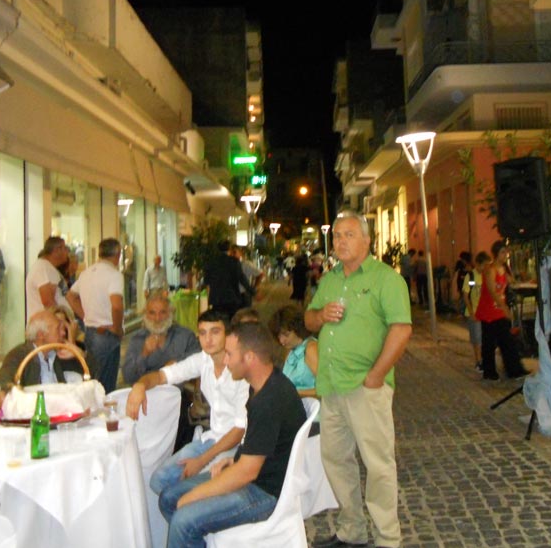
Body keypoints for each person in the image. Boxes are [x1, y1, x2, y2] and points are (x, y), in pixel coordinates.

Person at [305, 210, 411, 548]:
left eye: (349, 234)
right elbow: (308, 320)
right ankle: (352, 529)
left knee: (378, 465)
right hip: (332, 385)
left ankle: (387, 538)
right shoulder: (330, 279)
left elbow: (401, 329)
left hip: (366, 387)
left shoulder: (386, 279)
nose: (341, 241)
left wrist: (377, 375)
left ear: (367, 240)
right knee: (336, 460)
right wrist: (320, 315)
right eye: (337, 235)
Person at [158, 323, 306, 548]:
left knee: (183, 520)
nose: (225, 361)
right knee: (169, 499)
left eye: (229, 354)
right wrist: (234, 459)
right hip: (255, 475)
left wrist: (194, 496)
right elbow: (260, 446)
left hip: (264, 493)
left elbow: (247, 472)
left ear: (249, 357)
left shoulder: (269, 400)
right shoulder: (264, 384)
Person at [127, 309, 250, 497]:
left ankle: (194, 505)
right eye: (202, 333)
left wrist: (201, 460)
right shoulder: (203, 360)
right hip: (211, 439)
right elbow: (162, 376)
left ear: (228, 334)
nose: (208, 339)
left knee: (175, 495)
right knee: (158, 481)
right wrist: (140, 386)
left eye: (215, 332)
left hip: (237, 447)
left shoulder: (241, 370)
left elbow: (239, 430)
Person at [66, 237, 124, 394]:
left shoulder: (86, 273)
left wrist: (85, 315)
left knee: (92, 378)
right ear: (117, 254)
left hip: (90, 332)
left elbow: (70, 296)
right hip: (107, 333)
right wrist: (117, 328)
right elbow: (117, 305)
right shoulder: (114, 275)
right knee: (105, 385)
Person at [0, 309, 86, 392]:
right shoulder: (19, 355)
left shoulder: (61, 354)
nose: (63, 332)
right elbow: (3, 382)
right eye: (57, 329)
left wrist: (81, 355)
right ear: (41, 335)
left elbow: (89, 376)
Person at [474, 241, 528, 381]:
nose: (505, 255)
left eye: (506, 252)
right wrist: (504, 308)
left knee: (506, 340)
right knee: (489, 342)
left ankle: (514, 369)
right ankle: (490, 371)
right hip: (489, 310)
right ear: (496, 253)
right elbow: (492, 291)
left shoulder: (504, 269)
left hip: (498, 309)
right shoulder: (490, 269)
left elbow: (511, 282)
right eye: (503, 252)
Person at [122, 293, 200, 385]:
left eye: (162, 312)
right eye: (152, 313)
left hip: (175, 392)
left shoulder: (185, 335)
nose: (157, 318)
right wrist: (144, 353)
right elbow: (128, 377)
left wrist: (177, 363)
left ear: (170, 313)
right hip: (146, 392)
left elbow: (202, 359)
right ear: (145, 315)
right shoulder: (137, 339)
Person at [269, 304, 319, 398]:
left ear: (297, 329)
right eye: (279, 336)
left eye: (286, 335)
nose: (281, 341)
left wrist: (296, 392)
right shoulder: (289, 351)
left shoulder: (311, 349)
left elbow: (326, 390)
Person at [201, 240, 252, 319]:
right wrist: (252, 291)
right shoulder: (234, 262)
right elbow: (242, 279)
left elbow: (206, 281)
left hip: (216, 299)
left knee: (219, 319)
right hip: (231, 298)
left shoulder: (210, 262)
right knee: (231, 320)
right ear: (230, 249)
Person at [25, 236, 70, 318]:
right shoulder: (42, 268)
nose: (67, 252)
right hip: (47, 323)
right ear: (57, 250)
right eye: (65, 248)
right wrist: (61, 320)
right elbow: (48, 302)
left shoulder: (49, 268)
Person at [461, 251, 490, 373]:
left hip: (485, 313)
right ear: (478, 264)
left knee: (485, 339)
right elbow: (466, 295)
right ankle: (479, 361)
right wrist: (472, 313)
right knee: (477, 339)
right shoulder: (470, 276)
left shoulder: (487, 275)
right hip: (474, 313)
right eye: (484, 265)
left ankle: (485, 360)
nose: (485, 268)